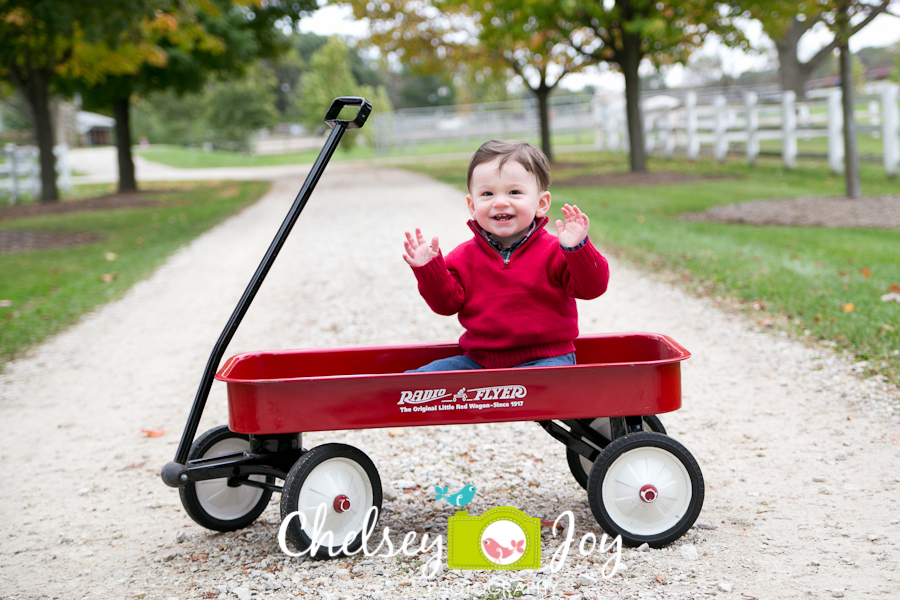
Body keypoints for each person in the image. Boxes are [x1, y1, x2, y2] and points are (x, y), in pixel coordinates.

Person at [402, 140, 609, 372]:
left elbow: (593, 288)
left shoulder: (554, 251)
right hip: (480, 361)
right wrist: (430, 270)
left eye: (514, 192)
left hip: (547, 359)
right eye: (487, 193)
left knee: (537, 387)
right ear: (472, 205)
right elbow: (446, 305)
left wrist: (577, 248)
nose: (500, 202)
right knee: (417, 381)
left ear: (541, 204)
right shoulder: (462, 258)